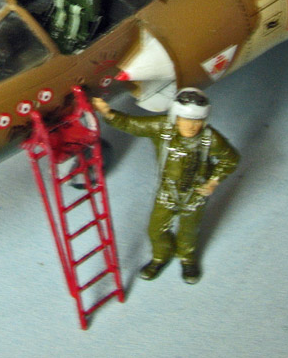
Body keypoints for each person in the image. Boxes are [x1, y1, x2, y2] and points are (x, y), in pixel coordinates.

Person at [92, 88, 239, 283]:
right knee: (156, 229)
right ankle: (160, 256)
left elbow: (231, 158)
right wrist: (109, 113)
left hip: (195, 194)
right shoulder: (162, 128)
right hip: (167, 193)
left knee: (189, 230)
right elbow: (132, 124)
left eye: (197, 121)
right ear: (176, 117)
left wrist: (213, 181)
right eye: (186, 119)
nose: (192, 126)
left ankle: (187, 257)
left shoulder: (210, 138)